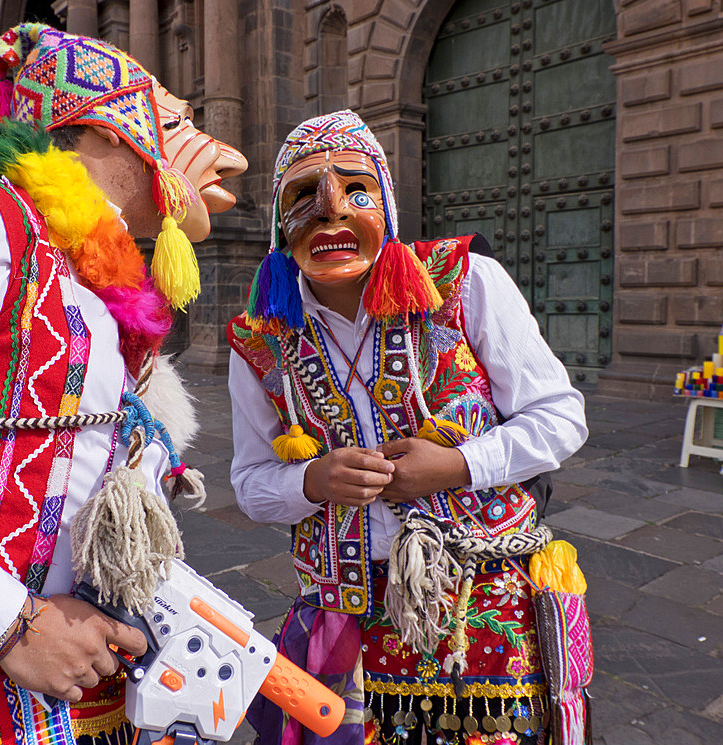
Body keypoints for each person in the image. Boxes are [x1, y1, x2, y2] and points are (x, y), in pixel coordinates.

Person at [0, 24, 246, 744]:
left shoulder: (79, 271)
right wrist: (9, 624)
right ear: (105, 132)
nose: (222, 155)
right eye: (173, 123)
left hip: (81, 684)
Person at [227, 111, 587, 745]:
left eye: (355, 189)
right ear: (280, 226)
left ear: (387, 206)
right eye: (304, 195)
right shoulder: (261, 341)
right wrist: (314, 480)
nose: (331, 211)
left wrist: (456, 466)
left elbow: (560, 419)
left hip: (480, 603)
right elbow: (252, 485)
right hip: (346, 616)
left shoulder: (465, 284)